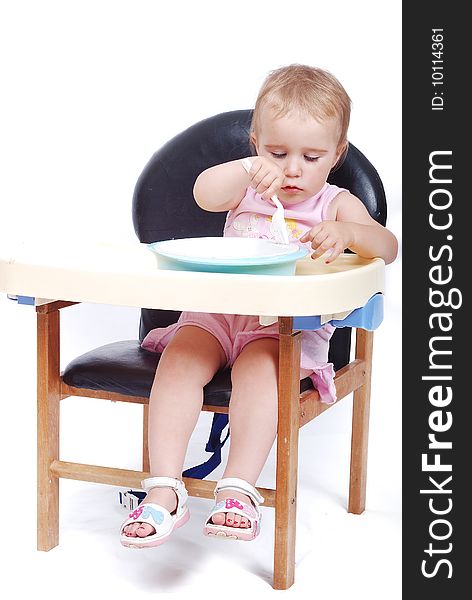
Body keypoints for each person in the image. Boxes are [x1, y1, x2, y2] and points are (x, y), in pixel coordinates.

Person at [120, 64, 398, 547]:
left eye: (311, 156)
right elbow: (204, 193)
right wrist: (247, 170)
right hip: (215, 316)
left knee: (257, 374)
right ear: (255, 143)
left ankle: (238, 489)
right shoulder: (247, 187)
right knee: (179, 362)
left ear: (337, 154)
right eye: (276, 152)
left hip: (280, 330)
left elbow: (388, 246)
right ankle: (164, 487)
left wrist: (352, 235)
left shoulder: (335, 203)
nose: (292, 169)